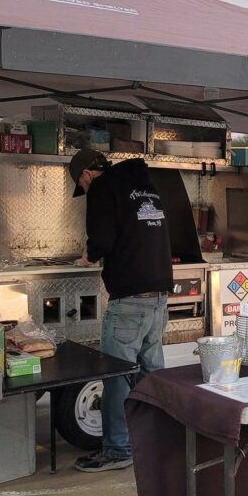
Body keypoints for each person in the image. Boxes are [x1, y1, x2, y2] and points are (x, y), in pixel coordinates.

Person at [68, 149, 173, 472]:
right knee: (150, 375)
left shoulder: (102, 188)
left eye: (81, 185)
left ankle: (117, 450)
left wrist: (87, 257)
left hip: (129, 299)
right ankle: (159, 439)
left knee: (115, 376)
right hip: (158, 297)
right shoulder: (145, 186)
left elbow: (100, 240)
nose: (85, 191)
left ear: (86, 175)